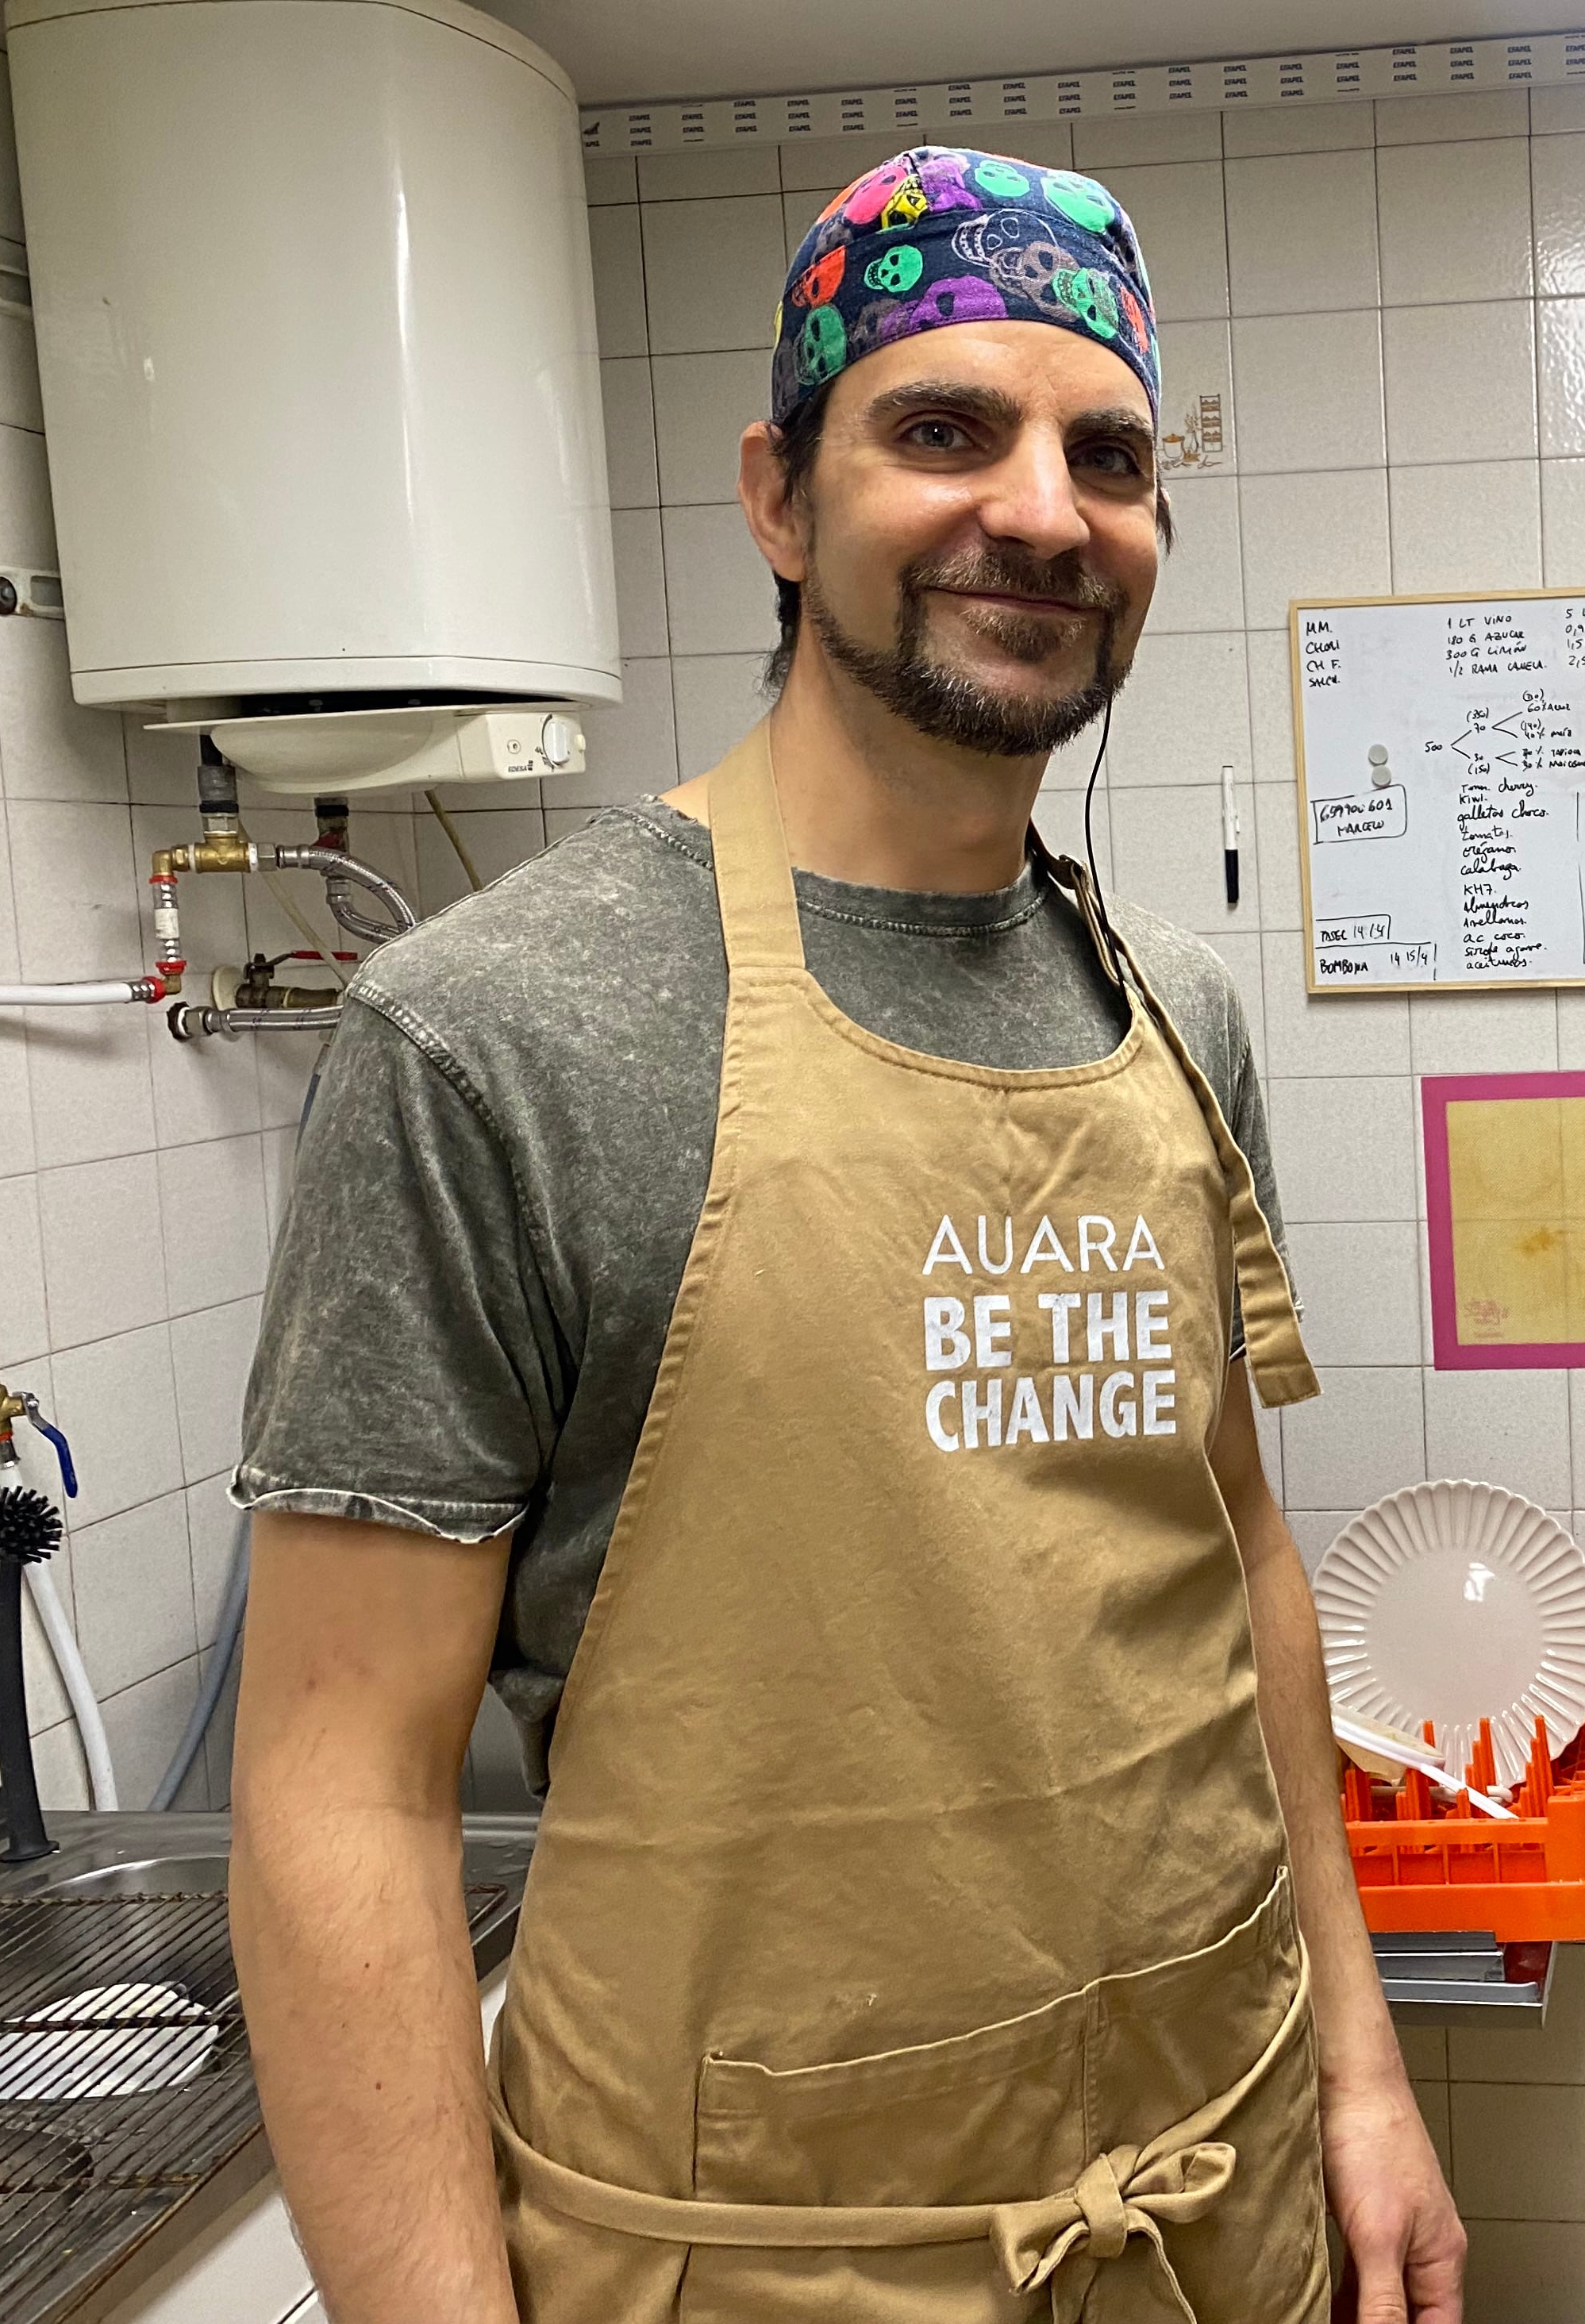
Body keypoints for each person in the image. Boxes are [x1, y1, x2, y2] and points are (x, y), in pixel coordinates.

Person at [226, 144, 1466, 2324]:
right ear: (782, 500)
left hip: (1225, 2213)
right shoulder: (498, 1030)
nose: (1046, 508)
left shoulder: (1177, 1007)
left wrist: (1362, 2071)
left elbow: (1240, 1554)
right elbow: (343, 1788)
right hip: (763, 2266)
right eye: (942, 428)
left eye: (1110, 452)